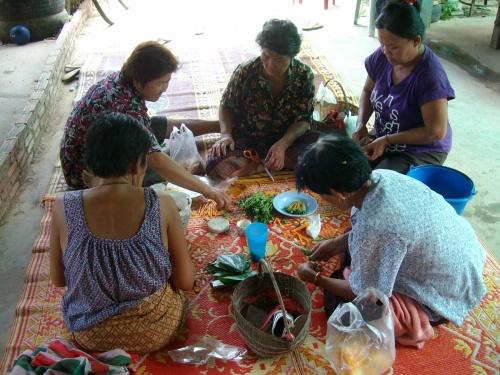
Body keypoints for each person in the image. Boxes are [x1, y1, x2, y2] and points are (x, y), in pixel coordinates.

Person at [296, 136, 486, 348]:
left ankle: (414, 316)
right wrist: (335, 244)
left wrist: (315, 277)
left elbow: (366, 296)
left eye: (322, 195)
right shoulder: (381, 176)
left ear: (339, 194)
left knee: (347, 310)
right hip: (462, 260)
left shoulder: (374, 226)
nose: (322, 200)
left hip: (447, 294)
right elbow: (366, 232)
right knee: (353, 236)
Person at [50, 112, 195, 353]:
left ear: (91, 164)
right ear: (138, 165)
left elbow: (58, 279)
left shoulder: (63, 206)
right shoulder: (162, 202)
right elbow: (185, 281)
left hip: (90, 337)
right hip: (156, 332)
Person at [60, 40, 230, 208]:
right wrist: (208, 190)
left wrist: (223, 127)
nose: (165, 89)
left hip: (100, 145)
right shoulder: (125, 106)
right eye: (160, 83)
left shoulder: (121, 82)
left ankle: (216, 125)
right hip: (86, 172)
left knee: (153, 124)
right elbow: (155, 159)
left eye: (167, 81)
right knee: (159, 168)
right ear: (138, 80)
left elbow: (146, 127)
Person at [352, 0, 455, 174]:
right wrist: (361, 124)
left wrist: (387, 140)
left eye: (393, 47)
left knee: (380, 183)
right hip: (385, 137)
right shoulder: (383, 56)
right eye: (382, 44)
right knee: (349, 167)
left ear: (416, 41)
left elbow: (436, 131)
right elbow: (367, 91)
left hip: (421, 149)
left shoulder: (430, 76)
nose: (385, 51)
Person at [207, 19, 318, 179]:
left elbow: (303, 120)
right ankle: (266, 164)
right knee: (214, 162)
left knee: (324, 152)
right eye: (266, 56)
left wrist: (282, 144)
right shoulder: (246, 71)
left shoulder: (303, 75)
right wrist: (226, 134)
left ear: (292, 56)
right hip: (247, 141)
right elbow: (226, 105)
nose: (270, 64)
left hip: (287, 141)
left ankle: (260, 164)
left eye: (279, 60)